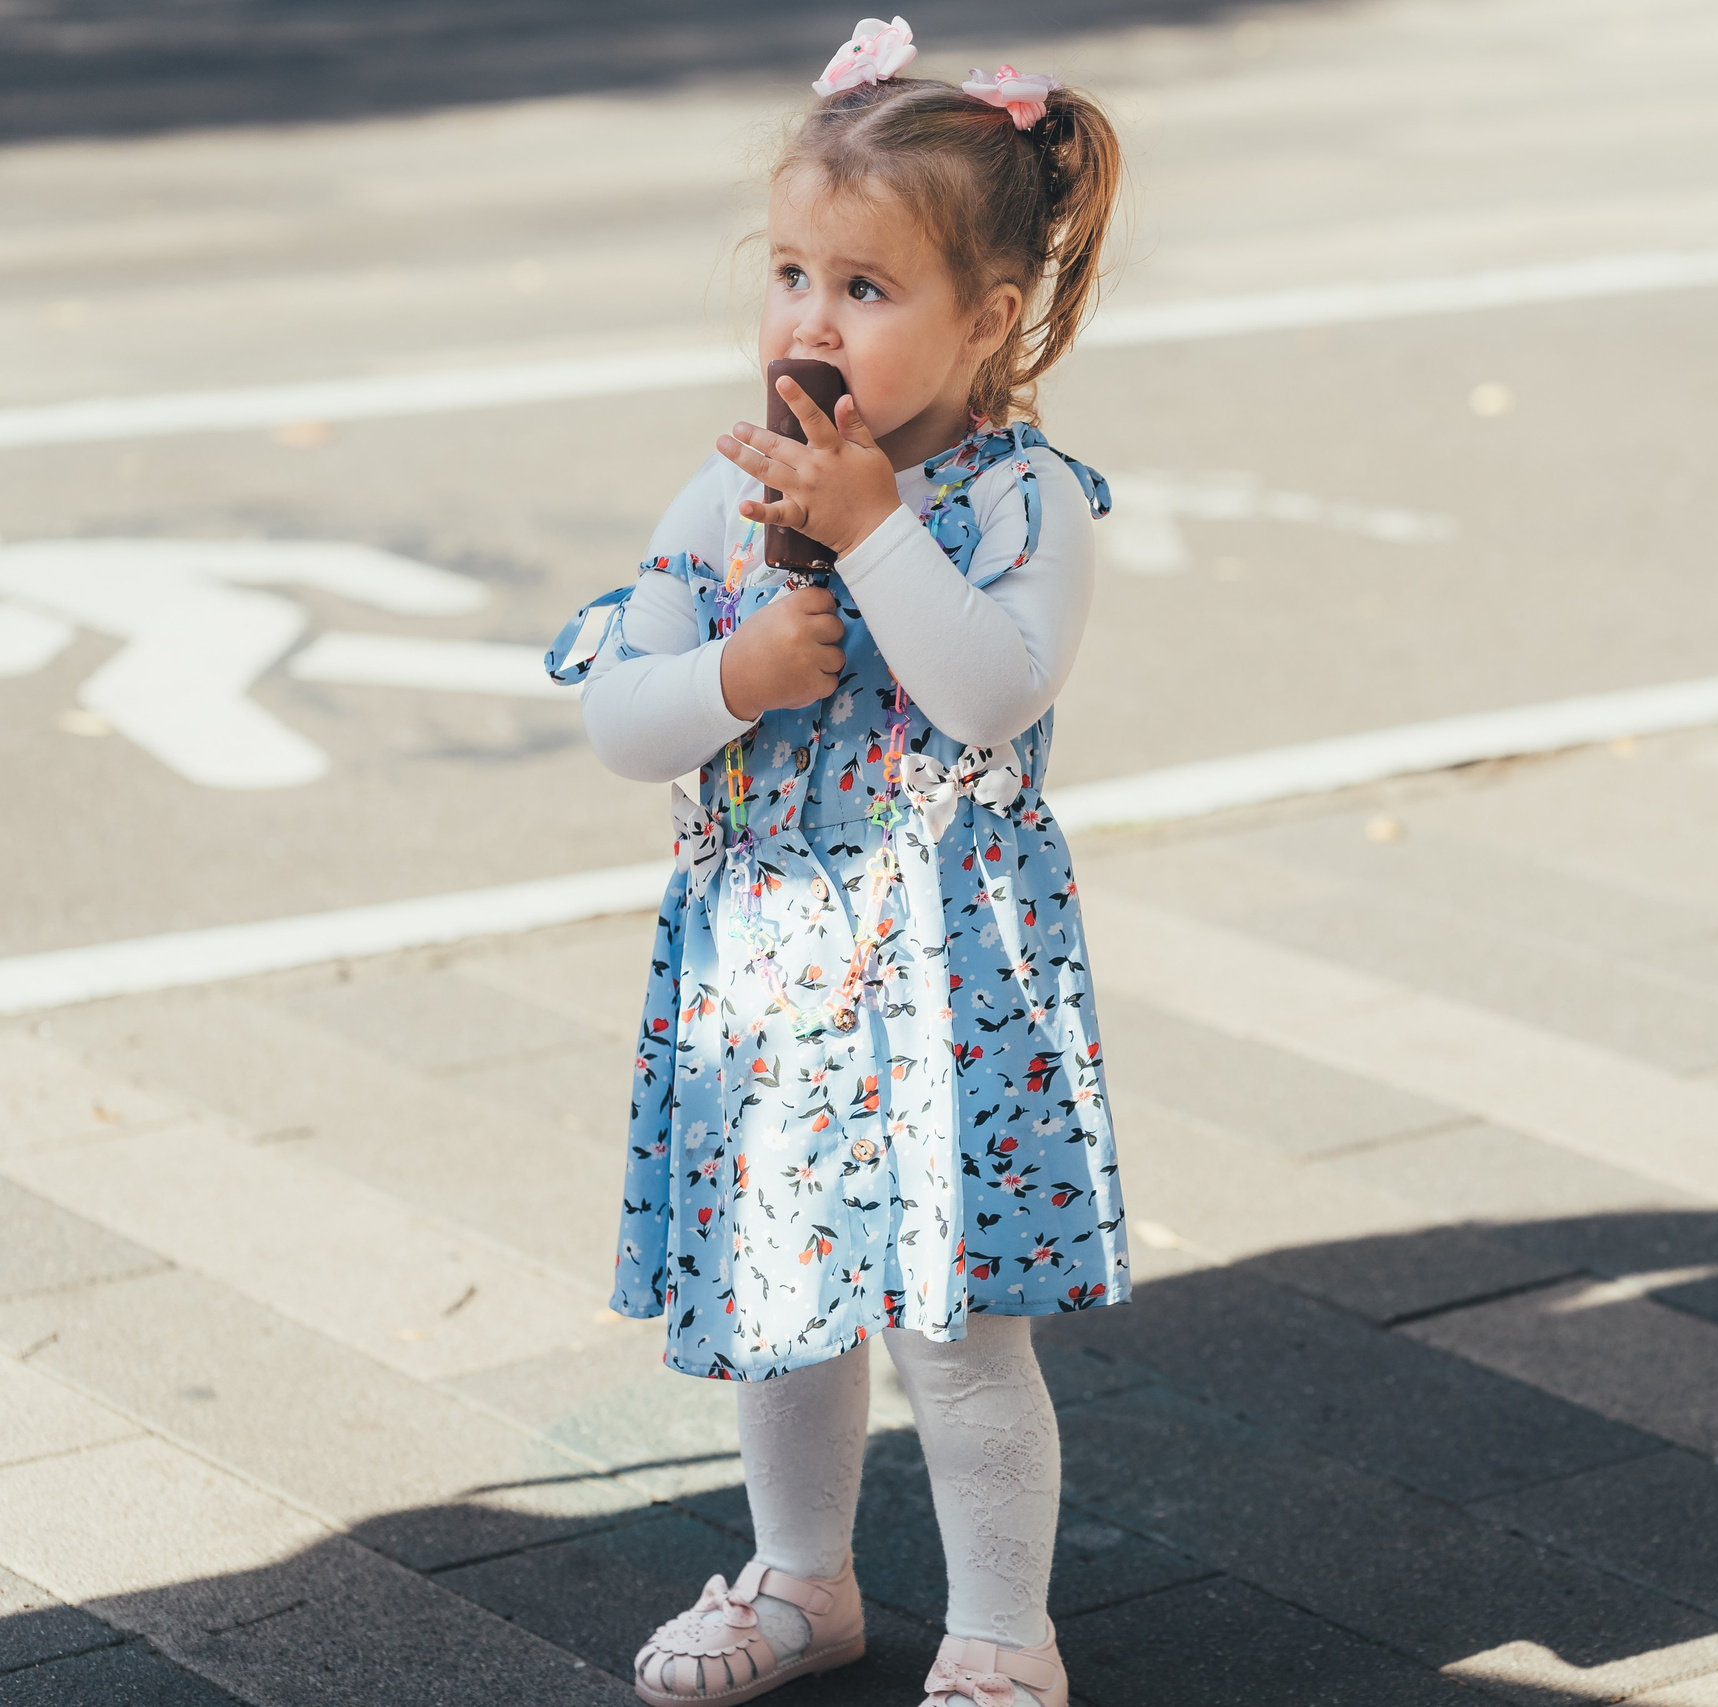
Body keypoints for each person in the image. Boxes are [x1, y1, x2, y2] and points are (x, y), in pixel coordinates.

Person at [543, 19, 1130, 1705]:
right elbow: (626, 724)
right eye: (793, 271)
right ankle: (806, 1583)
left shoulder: (1021, 499)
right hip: (772, 964)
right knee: (778, 1289)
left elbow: (987, 695)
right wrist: (732, 677)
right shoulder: (717, 501)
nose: (811, 317)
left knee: (953, 1324)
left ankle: (1004, 1632)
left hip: (945, 965)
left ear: (989, 320)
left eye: (866, 288)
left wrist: (873, 528)